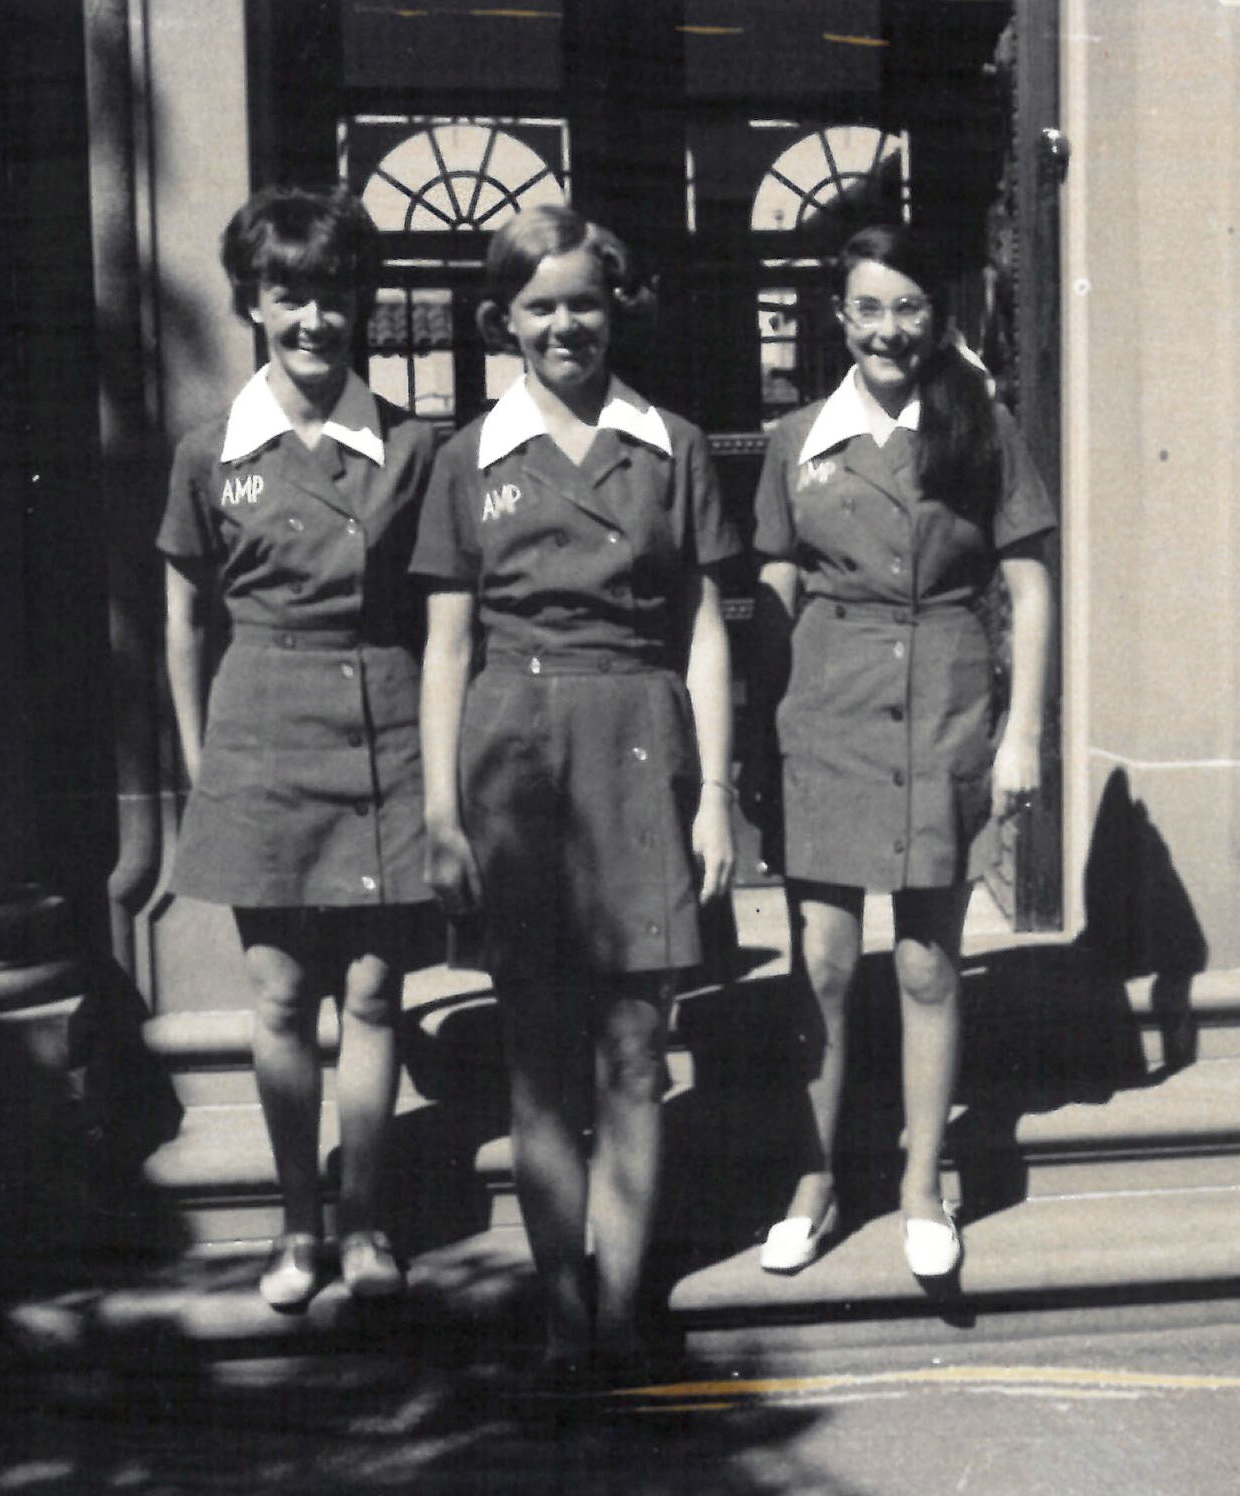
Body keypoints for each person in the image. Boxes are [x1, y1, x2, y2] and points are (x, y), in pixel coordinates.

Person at [414, 204, 737, 1380]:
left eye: (584, 302)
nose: (566, 325)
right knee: (540, 1052)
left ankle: (618, 1300)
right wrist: (445, 815)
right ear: (504, 320)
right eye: (540, 305)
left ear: (616, 309)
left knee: (638, 1049)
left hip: (641, 739)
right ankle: (559, 1306)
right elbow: (447, 645)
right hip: (516, 758)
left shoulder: (674, 446)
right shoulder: (467, 458)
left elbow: (704, 626)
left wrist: (714, 795)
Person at [751, 222, 1054, 1281]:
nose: (889, 329)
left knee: (926, 959)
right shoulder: (795, 439)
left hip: (943, 703)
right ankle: (813, 1180)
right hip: (823, 709)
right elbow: (776, 583)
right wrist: (756, 716)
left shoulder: (979, 424)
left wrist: (1022, 733)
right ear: (839, 317)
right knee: (824, 963)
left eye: (909, 307)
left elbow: (1028, 582)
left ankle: (924, 1182)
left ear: (940, 316)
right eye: (869, 307)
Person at [159, 185, 436, 1311]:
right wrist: (199, 764)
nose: (312, 317)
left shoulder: (415, 448)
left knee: (373, 996)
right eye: (288, 294)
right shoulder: (208, 451)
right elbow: (183, 616)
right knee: (279, 1000)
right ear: (252, 303)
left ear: (358, 300)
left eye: (330, 292)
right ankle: (296, 1223)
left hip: (387, 726)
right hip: (258, 734)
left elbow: (442, 616)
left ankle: (366, 1223)